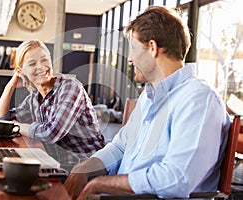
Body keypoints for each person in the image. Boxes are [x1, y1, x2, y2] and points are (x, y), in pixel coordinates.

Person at [64, 6, 230, 200]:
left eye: (133, 49)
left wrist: (101, 183)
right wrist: (86, 168)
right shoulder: (148, 97)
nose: (130, 59)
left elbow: (177, 179)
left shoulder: (198, 99)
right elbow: (120, 146)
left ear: (152, 47)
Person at [0, 39, 105, 156]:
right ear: (21, 71)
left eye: (44, 60)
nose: (41, 67)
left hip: (87, 164)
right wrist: (10, 85)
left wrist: (17, 126)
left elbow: (51, 133)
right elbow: (0, 123)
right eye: (32, 64)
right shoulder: (34, 99)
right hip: (58, 163)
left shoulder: (70, 87)